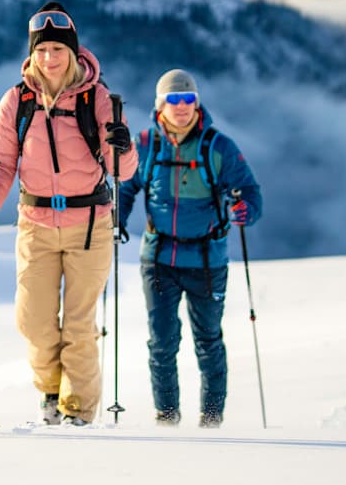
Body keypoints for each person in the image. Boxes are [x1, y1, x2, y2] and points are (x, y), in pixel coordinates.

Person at [0, 1, 137, 426]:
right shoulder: (16, 102)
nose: (49, 58)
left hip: (89, 225)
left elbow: (123, 172)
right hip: (36, 225)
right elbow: (1, 161)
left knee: (79, 327)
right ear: (32, 53)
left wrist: (123, 144)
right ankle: (49, 390)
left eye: (57, 50)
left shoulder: (97, 99)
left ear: (73, 52)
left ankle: (76, 411)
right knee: (33, 322)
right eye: (42, 50)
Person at [117, 69, 262, 428]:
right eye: (173, 100)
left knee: (208, 341)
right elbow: (125, 186)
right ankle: (167, 419)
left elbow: (250, 190)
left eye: (188, 99)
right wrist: (116, 218)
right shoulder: (146, 144)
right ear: (160, 105)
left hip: (207, 260)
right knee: (162, 342)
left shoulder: (219, 147)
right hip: (159, 258)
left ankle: (211, 420)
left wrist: (247, 208)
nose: (181, 107)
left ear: (196, 103)